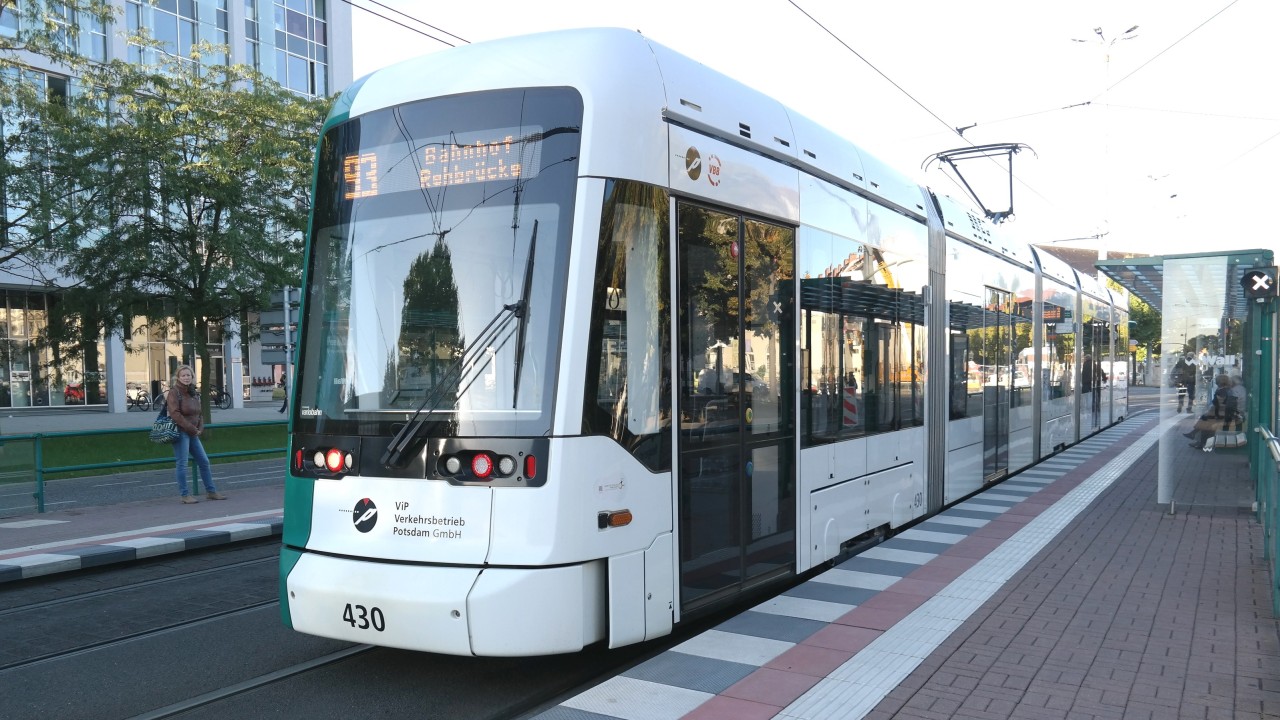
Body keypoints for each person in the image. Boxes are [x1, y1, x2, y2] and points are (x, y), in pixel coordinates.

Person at [167, 364, 227, 503]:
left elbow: (199, 413)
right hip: (181, 432)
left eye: (189, 375)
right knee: (182, 463)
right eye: (183, 375)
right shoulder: (174, 392)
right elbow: (175, 414)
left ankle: (211, 491)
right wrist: (191, 428)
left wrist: (200, 426)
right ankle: (184, 495)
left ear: (192, 377)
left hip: (193, 432)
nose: (186, 378)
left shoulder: (193, 392)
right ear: (178, 377)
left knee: (204, 461)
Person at [1184, 374, 1232, 449]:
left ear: (1221, 381)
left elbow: (1218, 404)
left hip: (1222, 414)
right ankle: (1197, 438)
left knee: (1205, 423)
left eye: (1217, 380)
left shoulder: (1222, 391)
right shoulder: (1226, 389)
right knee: (1205, 422)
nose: (1215, 381)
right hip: (1222, 413)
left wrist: (1209, 412)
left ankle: (1196, 438)